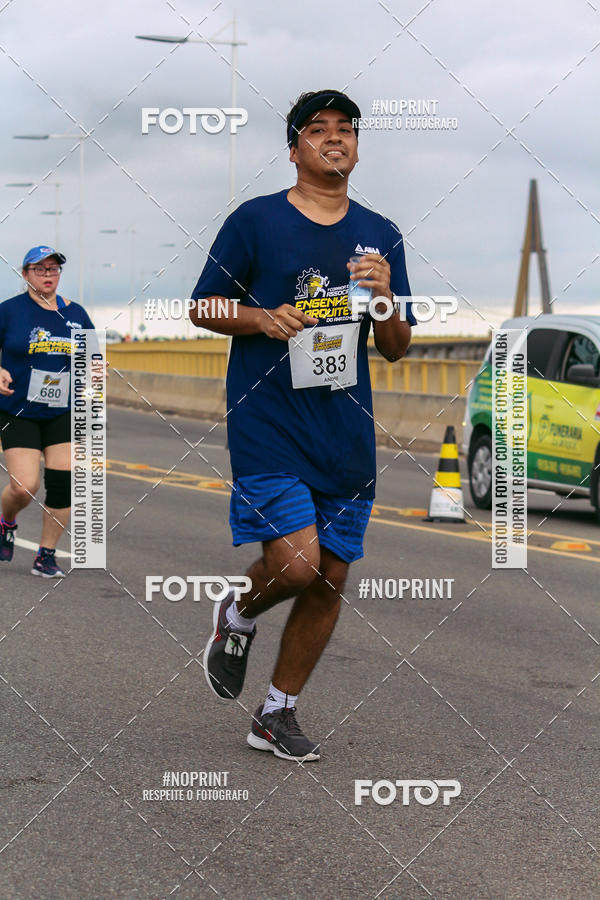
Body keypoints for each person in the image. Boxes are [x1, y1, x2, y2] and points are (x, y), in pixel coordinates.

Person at [191, 89, 416, 762]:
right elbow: (204, 304)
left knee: (330, 578)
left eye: (346, 129)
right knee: (296, 562)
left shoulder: (381, 234)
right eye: (318, 130)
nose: (335, 139)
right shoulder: (255, 221)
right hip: (269, 420)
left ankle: (276, 713)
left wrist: (383, 301)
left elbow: (398, 346)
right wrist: (262, 318)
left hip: (344, 431)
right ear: (294, 148)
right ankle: (236, 616)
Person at [0, 245, 94, 576]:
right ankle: (6, 521)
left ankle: (46, 554)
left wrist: (95, 371)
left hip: (62, 411)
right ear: (25, 274)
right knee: (24, 486)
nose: (47, 275)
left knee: (63, 482)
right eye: (39, 270)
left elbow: (91, 360)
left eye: (53, 269)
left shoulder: (77, 314)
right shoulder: (9, 311)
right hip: (18, 410)